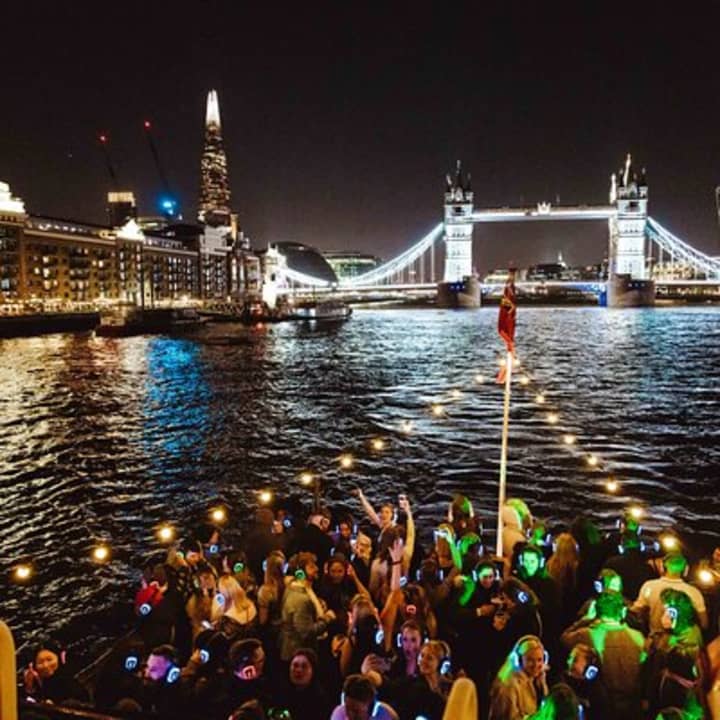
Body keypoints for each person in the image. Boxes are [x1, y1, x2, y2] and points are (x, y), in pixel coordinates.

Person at [561, 590, 646, 720]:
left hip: (600, 709)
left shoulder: (586, 635)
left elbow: (564, 638)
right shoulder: (638, 638)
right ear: (622, 612)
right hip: (632, 708)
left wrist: (585, 619)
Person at [632, 553, 708, 633]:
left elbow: (637, 611)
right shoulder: (693, 592)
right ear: (686, 570)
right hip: (683, 641)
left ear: (662, 568)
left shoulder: (649, 586)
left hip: (656, 640)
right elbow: (704, 623)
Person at [279, 552, 336, 661]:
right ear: (300, 573)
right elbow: (307, 632)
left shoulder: (302, 588)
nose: (316, 569)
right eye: (311, 567)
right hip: (299, 654)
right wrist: (327, 618)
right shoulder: (300, 599)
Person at [489, 635, 549, 720]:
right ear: (518, 660)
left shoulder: (540, 680)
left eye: (539, 660)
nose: (536, 665)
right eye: (530, 660)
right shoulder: (509, 685)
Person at [23, 640, 88, 705]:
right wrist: (30, 686)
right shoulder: (37, 682)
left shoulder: (70, 679)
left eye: (49, 659)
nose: (45, 665)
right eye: (40, 662)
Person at [275, 648, 333, 720]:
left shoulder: (321, 701)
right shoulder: (280, 694)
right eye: (295, 665)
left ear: (313, 671)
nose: (299, 670)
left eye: (304, 666)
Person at [212, 574, 259, 643]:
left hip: (235, 651)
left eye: (218, 591)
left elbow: (222, 642)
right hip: (252, 647)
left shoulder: (226, 619)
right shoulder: (251, 605)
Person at [330, 673, 399, 720]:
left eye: (356, 711)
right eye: (347, 708)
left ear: (371, 708)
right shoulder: (339, 713)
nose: (349, 716)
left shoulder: (385, 716)